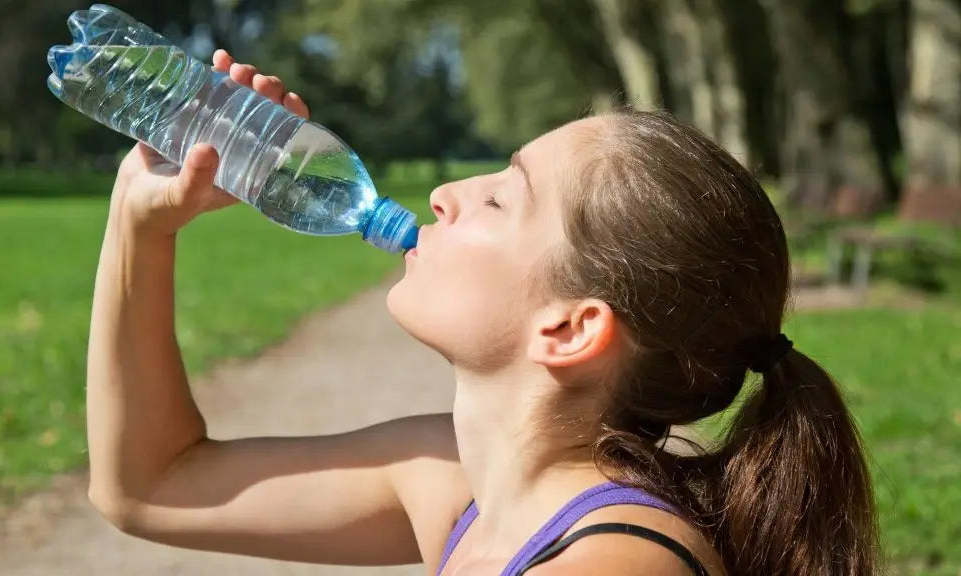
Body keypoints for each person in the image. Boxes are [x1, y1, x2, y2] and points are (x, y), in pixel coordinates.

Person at [84, 49, 879, 576]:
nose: (445, 196)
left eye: (501, 195)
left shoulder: (619, 563)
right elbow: (152, 485)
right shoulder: (455, 482)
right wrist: (141, 221)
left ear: (569, 328)